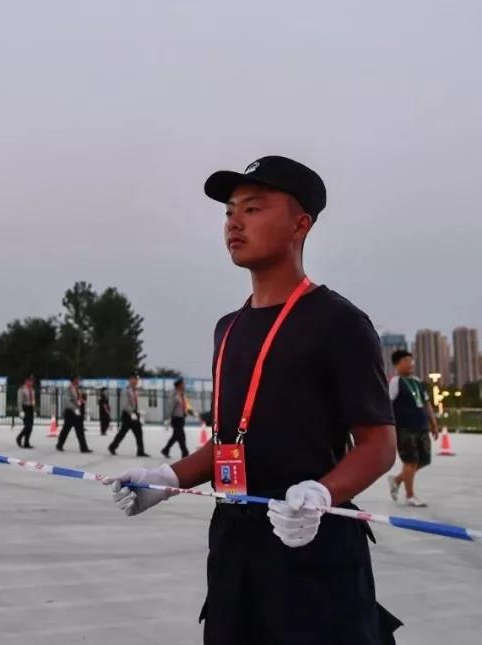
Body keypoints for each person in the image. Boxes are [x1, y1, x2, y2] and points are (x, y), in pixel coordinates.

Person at [106, 156, 400, 643]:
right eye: (229, 211)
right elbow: (230, 440)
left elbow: (378, 445)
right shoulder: (229, 328)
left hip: (312, 548)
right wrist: (167, 479)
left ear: (300, 224)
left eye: (253, 208)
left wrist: (322, 494)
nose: (234, 223)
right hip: (233, 550)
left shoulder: (338, 322)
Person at [386, 350, 440, 507]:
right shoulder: (395, 382)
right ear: (397, 364)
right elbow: (388, 404)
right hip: (405, 428)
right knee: (411, 461)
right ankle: (410, 496)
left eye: (411, 360)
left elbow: (427, 404)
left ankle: (397, 480)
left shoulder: (418, 381)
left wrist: (434, 424)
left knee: (424, 460)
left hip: (422, 426)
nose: (411, 363)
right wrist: (389, 427)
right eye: (406, 360)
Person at [109, 375, 149, 457]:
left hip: (134, 413)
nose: (135, 381)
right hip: (128, 414)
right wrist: (131, 413)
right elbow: (124, 404)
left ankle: (140, 451)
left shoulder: (135, 390)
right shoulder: (126, 390)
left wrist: (136, 412)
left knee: (139, 432)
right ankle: (112, 447)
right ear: (130, 380)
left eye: (136, 380)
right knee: (123, 432)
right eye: (133, 379)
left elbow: (134, 403)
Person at [56, 375, 92, 453]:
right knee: (66, 429)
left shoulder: (77, 389)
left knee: (80, 430)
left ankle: (84, 448)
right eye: (78, 379)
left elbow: (78, 399)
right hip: (70, 411)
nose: (79, 381)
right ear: (74, 380)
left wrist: (82, 401)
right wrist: (75, 408)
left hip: (77, 411)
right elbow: (68, 401)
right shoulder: (68, 389)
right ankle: (59, 444)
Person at [161, 378, 192, 458]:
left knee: (176, 436)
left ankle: (166, 450)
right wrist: (168, 418)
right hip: (176, 418)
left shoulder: (182, 394)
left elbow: (184, 405)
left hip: (181, 418)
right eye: (183, 384)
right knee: (181, 436)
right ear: (179, 385)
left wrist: (187, 412)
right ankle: (185, 453)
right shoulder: (174, 394)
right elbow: (171, 406)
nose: (184, 385)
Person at [16, 375, 36, 449]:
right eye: (30, 381)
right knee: (27, 425)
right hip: (25, 408)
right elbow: (19, 401)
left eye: (32, 381)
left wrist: (34, 410)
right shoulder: (22, 389)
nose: (32, 382)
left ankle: (26, 443)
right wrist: (21, 411)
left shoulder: (32, 390)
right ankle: (19, 437)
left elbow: (33, 400)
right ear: (26, 381)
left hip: (30, 408)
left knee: (30, 427)